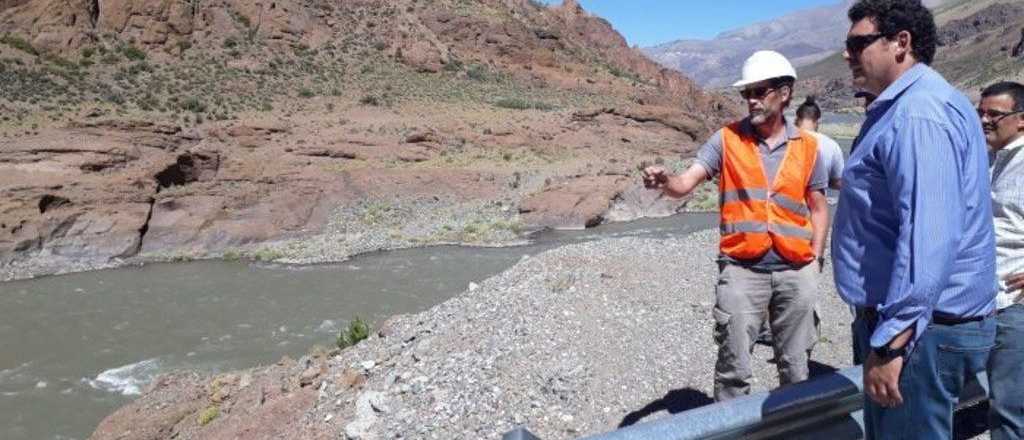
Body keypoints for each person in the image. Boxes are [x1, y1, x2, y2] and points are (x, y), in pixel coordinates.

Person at [831, 1, 997, 439]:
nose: (847, 54)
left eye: (857, 44)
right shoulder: (920, 103)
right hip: (920, 325)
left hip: (920, 331)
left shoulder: (918, 114)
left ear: (900, 42)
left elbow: (930, 238)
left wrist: (890, 343)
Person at [642, 50, 830, 401]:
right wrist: (665, 179)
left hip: (796, 271)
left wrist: (816, 259)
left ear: (785, 93)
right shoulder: (725, 140)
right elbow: (684, 184)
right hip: (743, 270)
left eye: (760, 91)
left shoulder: (808, 147)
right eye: (747, 94)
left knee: (797, 369)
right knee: (733, 370)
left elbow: (818, 207)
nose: (752, 100)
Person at [980, 81, 1024, 440]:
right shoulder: (990, 159)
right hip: (985, 299)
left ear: (1021, 120)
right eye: (981, 112)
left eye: (995, 114)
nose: (985, 120)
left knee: (1009, 407)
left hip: (1016, 304)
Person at [795, 96, 844, 189]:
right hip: (816, 201)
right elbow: (837, 182)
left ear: (797, 119)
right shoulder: (831, 145)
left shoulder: (784, 140)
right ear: (818, 121)